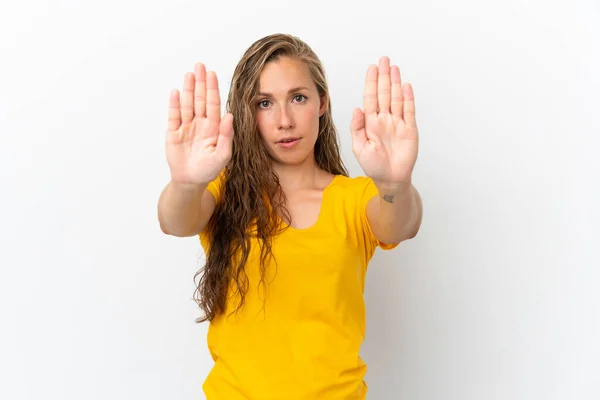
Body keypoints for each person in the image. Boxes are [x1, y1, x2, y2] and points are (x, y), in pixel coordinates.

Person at [157, 33, 423, 399]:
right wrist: (186, 183)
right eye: (265, 103)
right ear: (248, 114)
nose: (284, 120)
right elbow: (176, 221)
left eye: (298, 98)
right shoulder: (225, 193)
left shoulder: (355, 198)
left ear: (321, 103)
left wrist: (394, 183)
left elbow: (402, 223)